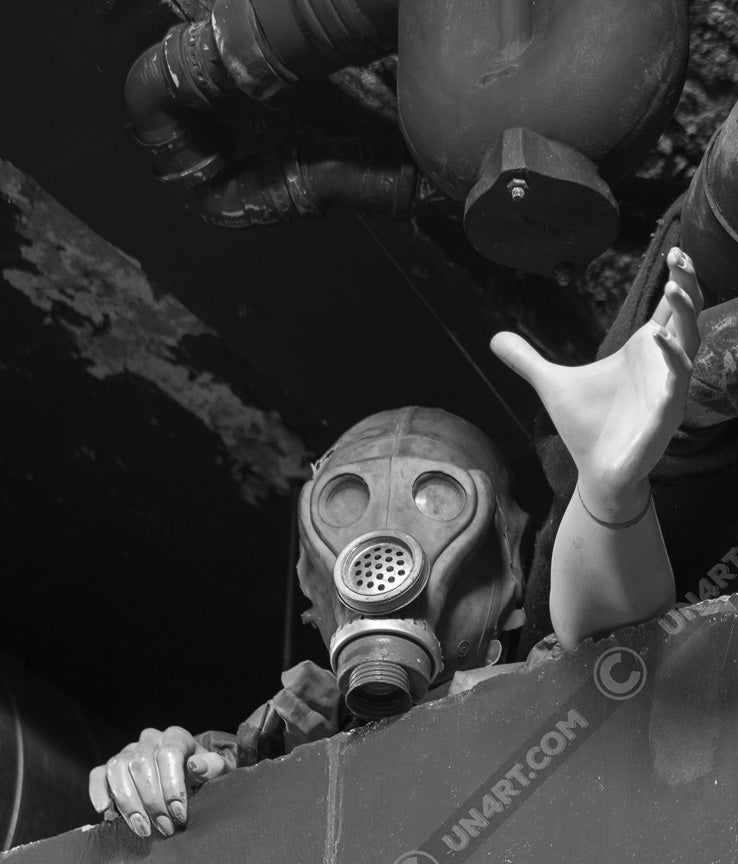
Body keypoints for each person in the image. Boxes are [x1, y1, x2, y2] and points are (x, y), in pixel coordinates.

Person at [86, 248, 702, 840]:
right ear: (310, 579)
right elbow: (204, 789)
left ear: (513, 574)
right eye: (344, 507)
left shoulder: (546, 708)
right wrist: (156, 772)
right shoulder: (268, 750)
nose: (383, 557)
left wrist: (608, 498)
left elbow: (607, 640)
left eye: (440, 504)